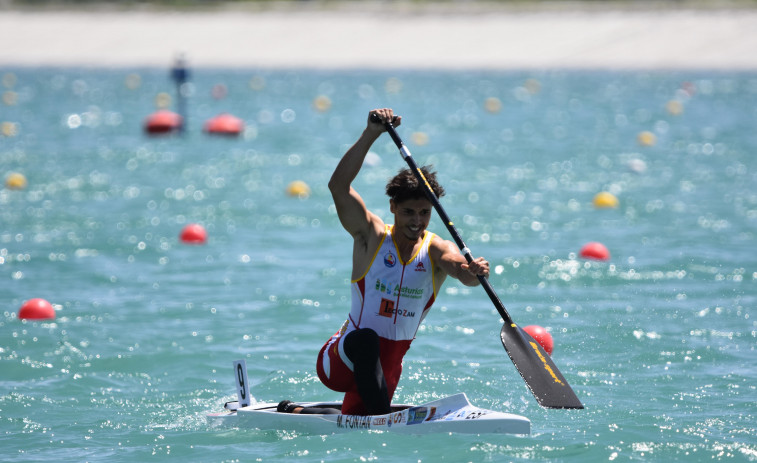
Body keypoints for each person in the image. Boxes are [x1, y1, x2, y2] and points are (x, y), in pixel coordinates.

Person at [287, 108, 488, 417]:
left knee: (357, 420)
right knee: (367, 342)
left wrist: (473, 271)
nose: (417, 221)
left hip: (389, 364)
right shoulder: (372, 236)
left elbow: (462, 272)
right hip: (343, 358)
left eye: (424, 212)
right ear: (393, 207)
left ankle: (296, 411)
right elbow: (338, 187)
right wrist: (371, 134)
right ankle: (379, 414)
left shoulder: (436, 249)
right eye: (408, 212)